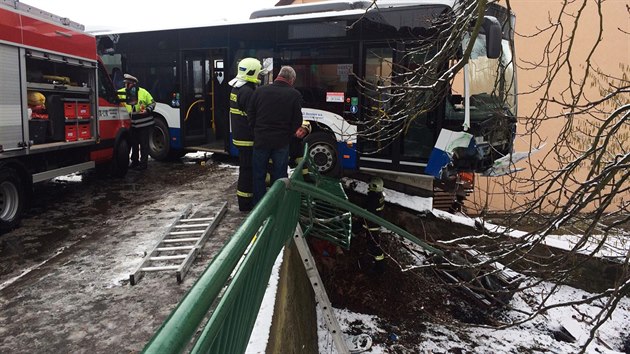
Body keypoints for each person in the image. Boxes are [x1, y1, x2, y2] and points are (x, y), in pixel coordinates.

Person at [247, 66, 303, 205]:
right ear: (292, 79)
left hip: (261, 140)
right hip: (281, 142)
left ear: (279, 75)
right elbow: (297, 121)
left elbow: (251, 113)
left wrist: (257, 129)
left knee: (259, 174)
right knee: (280, 176)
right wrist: (288, 134)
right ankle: (279, 203)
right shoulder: (294, 94)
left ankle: (259, 206)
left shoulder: (259, 91)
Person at [228, 58, 262, 212]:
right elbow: (253, 116)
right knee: (247, 171)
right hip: (247, 138)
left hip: (240, 136)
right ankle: (245, 204)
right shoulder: (247, 91)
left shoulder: (236, 88)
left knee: (245, 169)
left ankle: (245, 201)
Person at [118, 74, 155, 170]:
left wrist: (147, 110)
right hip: (131, 124)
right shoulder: (121, 92)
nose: (126, 85)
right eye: (125, 83)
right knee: (133, 144)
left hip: (144, 123)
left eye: (128, 84)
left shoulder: (143, 92)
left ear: (134, 84)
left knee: (144, 145)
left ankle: (143, 165)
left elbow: (152, 103)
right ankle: (134, 162)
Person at [361, 176, 386, 274]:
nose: (369, 186)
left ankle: (379, 268)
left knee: (373, 246)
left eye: (371, 185)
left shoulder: (373, 198)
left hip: (371, 225)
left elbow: (365, 208)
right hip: (374, 223)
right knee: (372, 243)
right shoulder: (380, 196)